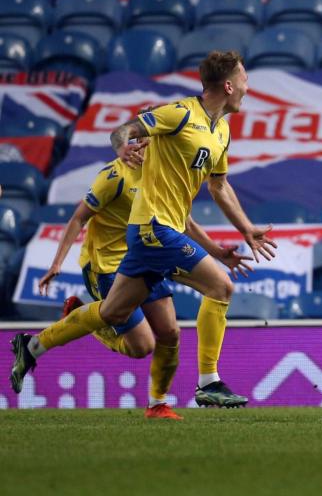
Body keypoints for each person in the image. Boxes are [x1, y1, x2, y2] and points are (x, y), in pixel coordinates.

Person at [10, 51, 277, 408]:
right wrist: (123, 146)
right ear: (228, 85)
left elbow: (219, 187)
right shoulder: (180, 113)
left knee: (112, 313)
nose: (248, 86)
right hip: (155, 227)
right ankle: (208, 382)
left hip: (157, 230)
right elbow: (126, 129)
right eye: (244, 78)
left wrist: (246, 229)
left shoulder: (222, 132)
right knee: (220, 287)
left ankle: (32, 346)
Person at [37, 143, 253, 419]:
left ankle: (157, 405)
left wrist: (218, 253)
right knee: (141, 346)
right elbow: (79, 218)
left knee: (168, 334)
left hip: (147, 257)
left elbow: (186, 223)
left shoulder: (162, 176)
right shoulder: (113, 176)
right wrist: (57, 263)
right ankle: (92, 324)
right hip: (106, 267)